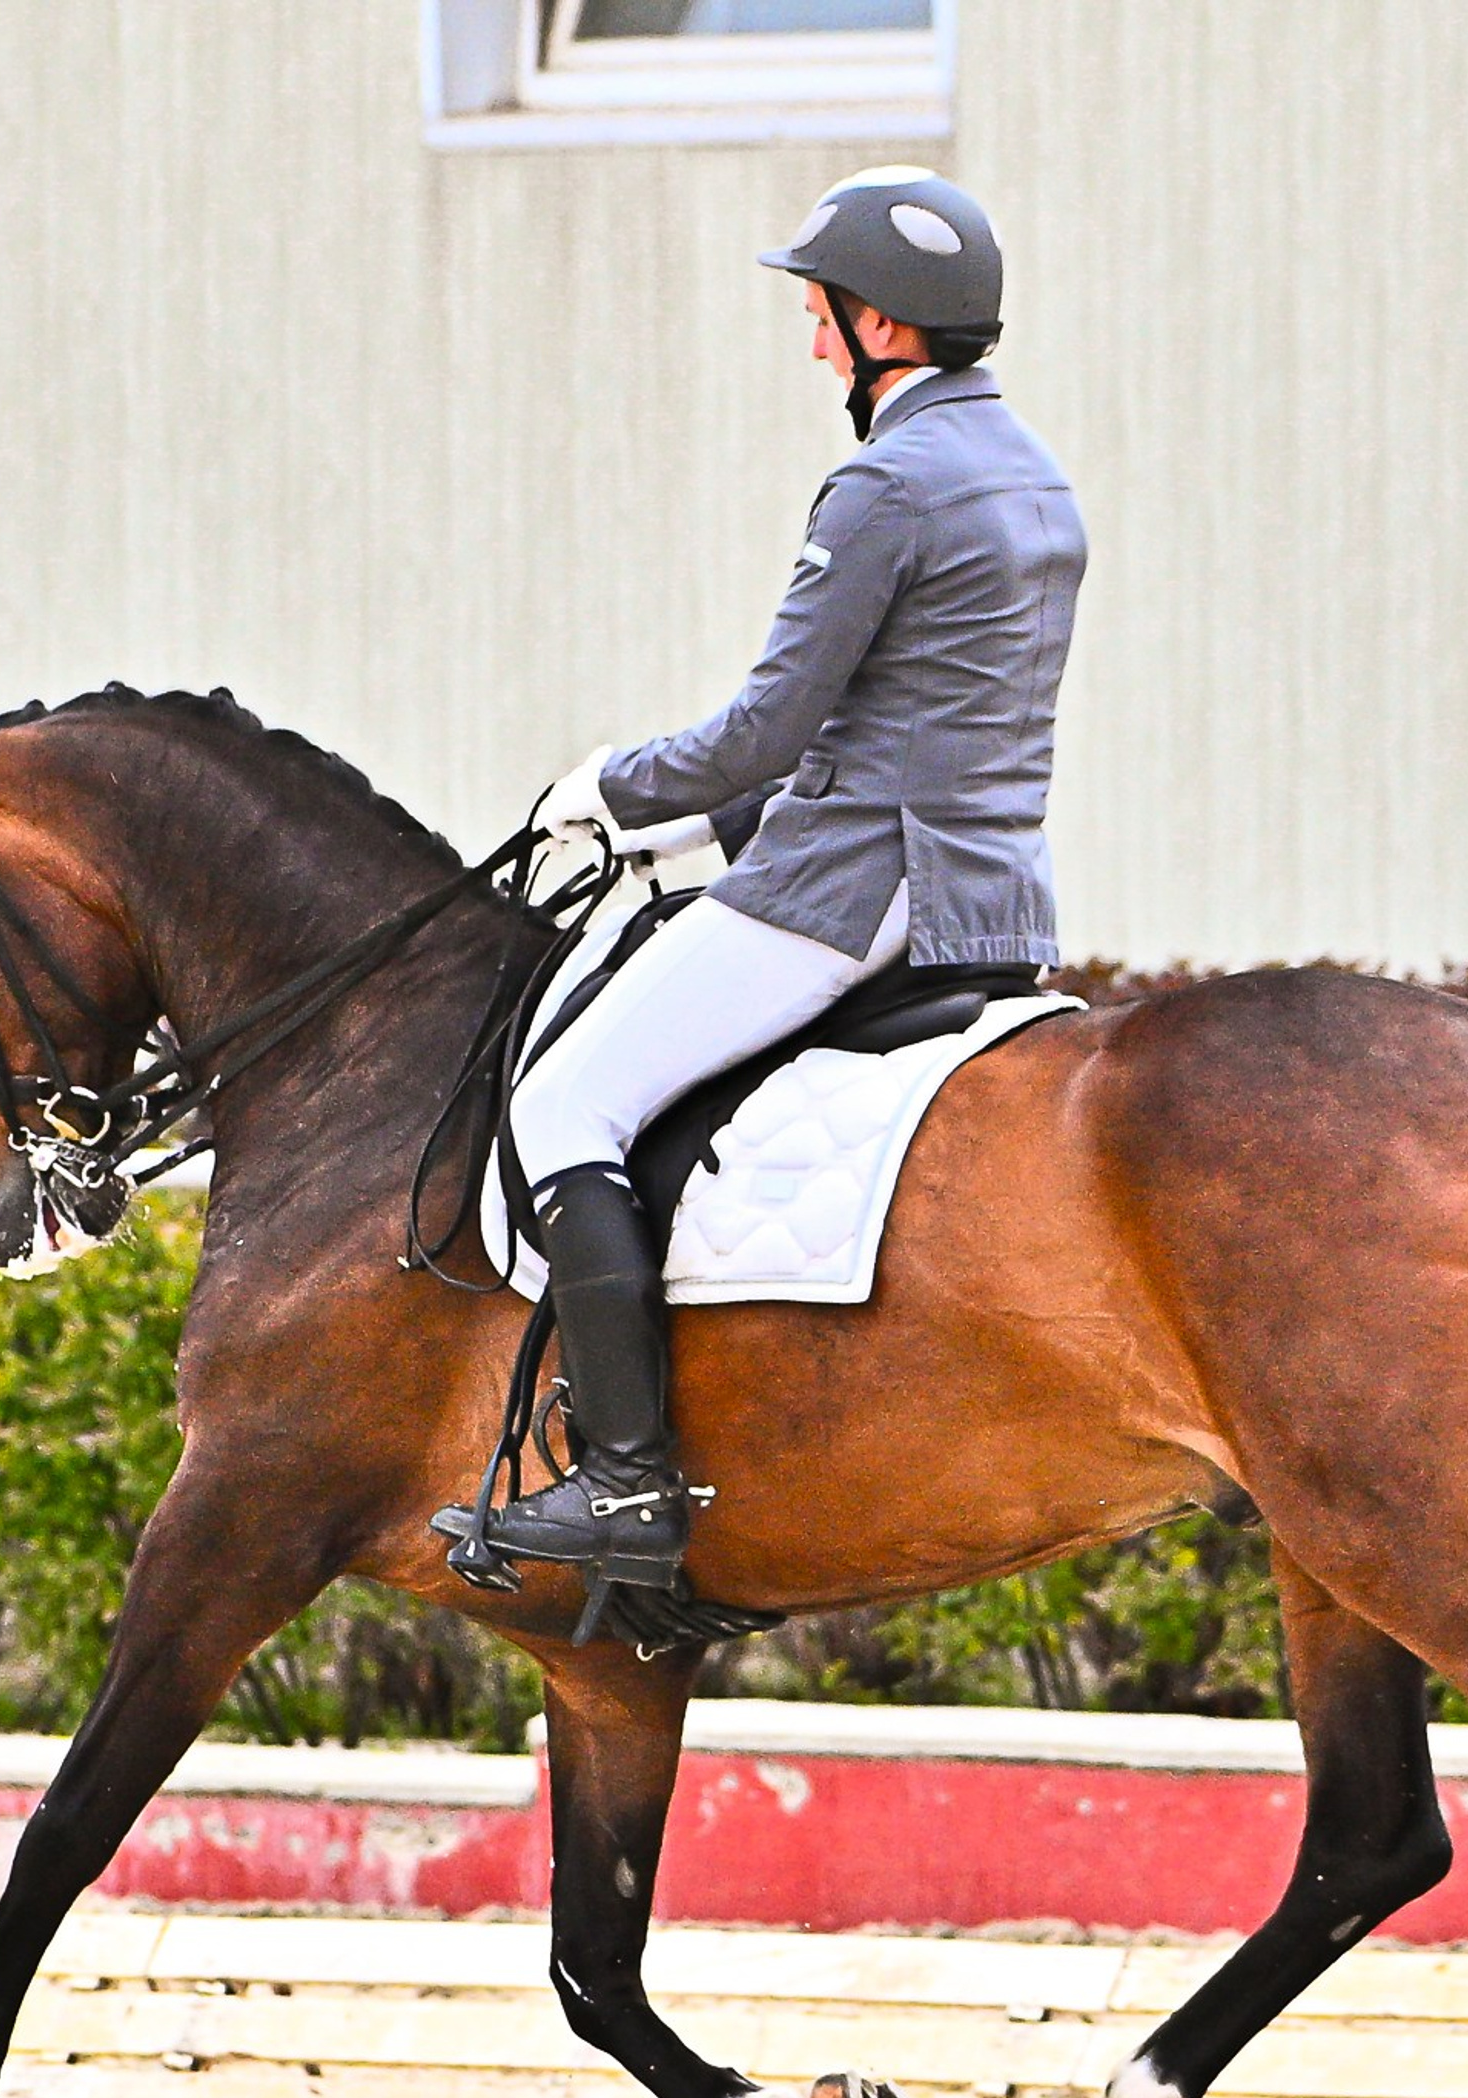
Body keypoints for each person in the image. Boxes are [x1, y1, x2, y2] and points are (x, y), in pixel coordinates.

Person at [445, 165, 1088, 1600]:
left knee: (564, 1100)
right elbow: (915, 720)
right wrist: (699, 840)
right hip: (989, 899)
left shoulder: (888, 481)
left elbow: (774, 725)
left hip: (855, 892)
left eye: (823, 315)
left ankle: (625, 1480)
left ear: (885, 328)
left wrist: (608, 789)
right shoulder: (1030, 471)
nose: (814, 344)